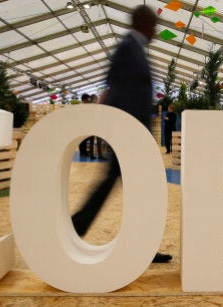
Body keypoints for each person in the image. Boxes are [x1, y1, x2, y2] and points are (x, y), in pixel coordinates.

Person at [71, 5, 172, 263]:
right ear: (143, 24)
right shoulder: (129, 48)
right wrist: (132, 132)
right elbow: (122, 93)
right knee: (128, 186)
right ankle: (77, 226)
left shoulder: (132, 48)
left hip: (130, 134)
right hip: (128, 134)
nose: (156, 32)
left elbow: (113, 85)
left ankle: (82, 227)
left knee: (131, 188)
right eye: (154, 26)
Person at [78, 93, 93, 158]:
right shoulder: (81, 106)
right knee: (82, 140)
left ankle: (85, 152)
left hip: (86, 125)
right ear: (84, 99)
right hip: (81, 125)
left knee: (85, 139)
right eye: (88, 99)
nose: (88, 100)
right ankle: (82, 152)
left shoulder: (87, 106)